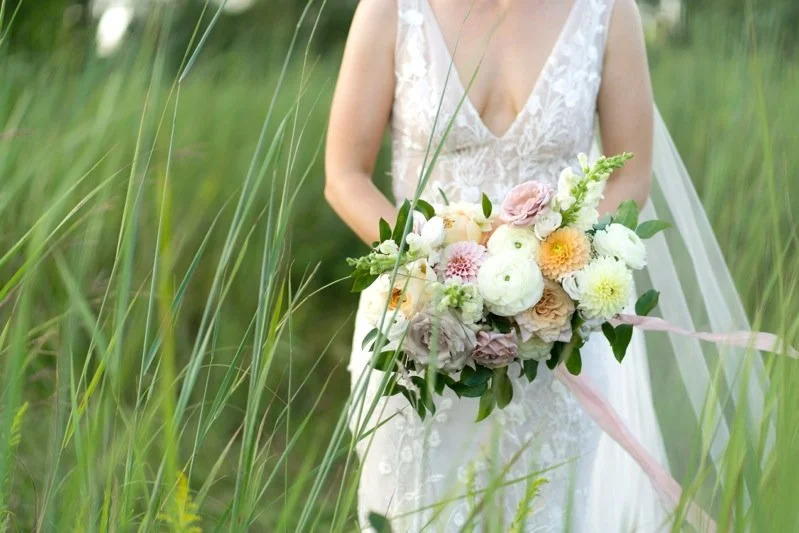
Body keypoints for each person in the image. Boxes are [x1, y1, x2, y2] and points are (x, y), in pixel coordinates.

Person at [324, 0, 758, 530]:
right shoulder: (393, 9)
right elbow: (344, 175)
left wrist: (553, 272)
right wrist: (429, 266)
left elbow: (630, 175)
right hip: (421, 328)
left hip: (556, 329)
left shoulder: (606, 12)